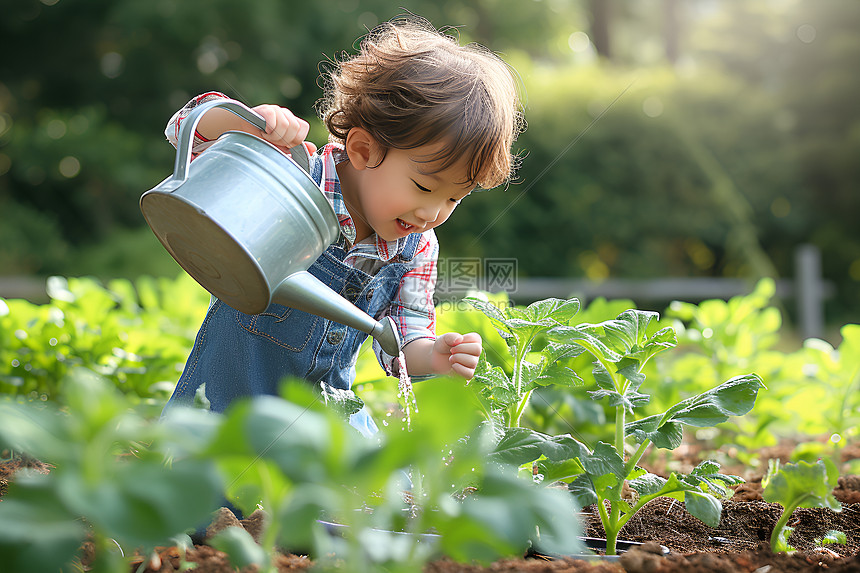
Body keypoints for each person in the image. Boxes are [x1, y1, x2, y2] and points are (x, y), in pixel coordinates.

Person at [162, 16, 523, 438]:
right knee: (212, 493)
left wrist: (434, 356)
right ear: (363, 148)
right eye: (424, 186)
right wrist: (246, 126)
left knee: (382, 483)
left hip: (325, 413)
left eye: (454, 198)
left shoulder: (417, 248)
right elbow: (186, 130)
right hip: (230, 404)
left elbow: (404, 339)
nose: (432, 212)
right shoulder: (296, 179)